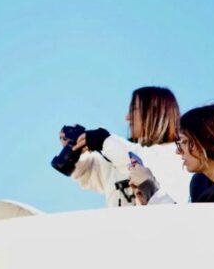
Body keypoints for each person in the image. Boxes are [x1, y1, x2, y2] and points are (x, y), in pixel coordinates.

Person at [63, 86, 193, 206]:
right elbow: (92, 172)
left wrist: (103, 141)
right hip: (122, 230)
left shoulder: (176, 155)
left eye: (134, 110)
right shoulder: (120, 155)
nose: (127, 117)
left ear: (154, 112)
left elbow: (141, 163)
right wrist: (75, 152)